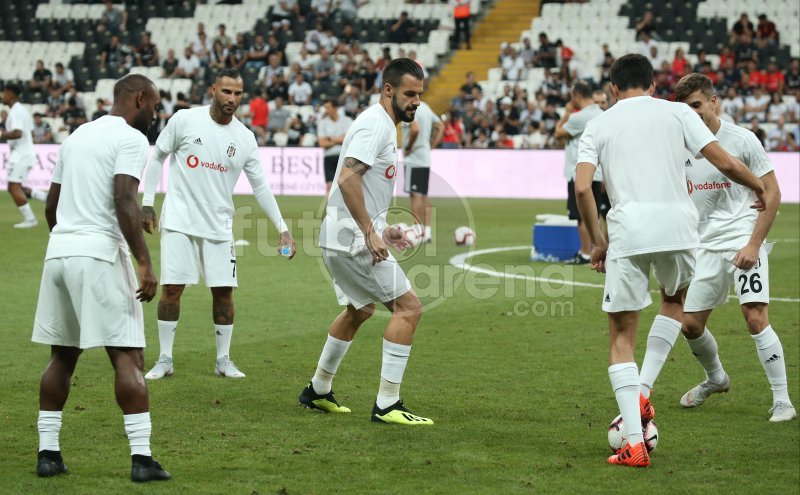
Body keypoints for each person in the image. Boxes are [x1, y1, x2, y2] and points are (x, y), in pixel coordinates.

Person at [575, 54, 766, 467]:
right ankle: (643, 391)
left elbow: (583, 189)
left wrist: (597, 242)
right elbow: (724, 160)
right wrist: (758, 189)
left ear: (612, 89)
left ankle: (634, 445)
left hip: (629, 230)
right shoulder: (678, 112)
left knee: (622, 337)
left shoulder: (597, 125)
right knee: (674, 303)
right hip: (681, 230)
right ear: (653, 87)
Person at [31, 73, 170, 482]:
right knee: (128, 357)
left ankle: (48, 453)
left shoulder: (75, 137)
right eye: (155, 105)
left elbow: (52, 207)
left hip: (59, 253)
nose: (156, 114)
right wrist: (144, 263)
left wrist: (68, 238)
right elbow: (125, 198)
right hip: (99, 255)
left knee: (62, 355)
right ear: (139, 98)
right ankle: (142, 460)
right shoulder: (129, 138)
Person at [642, 73, 794, 422]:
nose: (692, 114)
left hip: (741, 241)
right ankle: (716, 378)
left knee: (755, 317)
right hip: (702, 248)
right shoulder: (680, 147)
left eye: (696, 105)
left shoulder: (742, 140)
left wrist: (754, 244)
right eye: (685, 109)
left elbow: (772, 193)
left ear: (713, 102)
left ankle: (783, 400)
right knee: (689, 325)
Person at [298, 58, 432, 425]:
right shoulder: (376, 125)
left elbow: (361, 186)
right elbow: (346, 178)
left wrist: (382, 227)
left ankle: (317, 390)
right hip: (353, 240)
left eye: (419, 95)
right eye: (409, 94)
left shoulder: (383, 125)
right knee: (409, 307)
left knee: (360, 310)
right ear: (388, 90)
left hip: (341, 237)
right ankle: (388, 404)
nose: (416, 101)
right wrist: (370, 232)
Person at [140, 69, 295, 380]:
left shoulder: (244, 138)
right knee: (171, 290)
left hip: (219, 226)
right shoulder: (185, 120)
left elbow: (260, 187)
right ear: (213, 90)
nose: (232, 99)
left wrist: (282, 228)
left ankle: (223, 360)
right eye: (226, 92)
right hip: (180, 221)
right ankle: (165, 359)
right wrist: (147, 203)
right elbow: (157, 157)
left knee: (224, 293)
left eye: (237, 94)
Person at [554, 80, 603, 264]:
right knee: (594, 214)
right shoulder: (602, 114)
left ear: (577, 96)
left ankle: (585, 252)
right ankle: (598, 249)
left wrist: (566, 113)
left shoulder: (578, 117)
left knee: (581, 216)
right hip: (597, 172)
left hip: (579, 171)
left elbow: (558, 133)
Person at [1, 83, 48, 228]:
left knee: (13, 186)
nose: (3, 95)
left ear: (10, 93)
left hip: (21, 155)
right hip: (24, 153)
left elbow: (17, 132)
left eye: (4, 92)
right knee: (18, 186)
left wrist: (1, 134)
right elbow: (30, 133)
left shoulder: (16, 111)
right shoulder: (21, 110)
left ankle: (30, 220)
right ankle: (49, 199)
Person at [401, 100, 444, 243]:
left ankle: (417, 233)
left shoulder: (409, 108)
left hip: (414, 157)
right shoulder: (426, 107)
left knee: (415, 196)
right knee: (424, 195)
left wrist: (408, 146)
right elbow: (440, 126)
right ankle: (427, 232)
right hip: (425, 156)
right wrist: (431, 145)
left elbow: (414, 128)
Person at [318, 98, 353, 196]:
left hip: (343, 157)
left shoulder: (347, 121)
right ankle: (329, 210)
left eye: (328, 107)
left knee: (345, 185)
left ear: (335, 108)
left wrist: (330, 139)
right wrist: (339, 139)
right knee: (329, 186)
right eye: (325, 108)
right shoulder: (323, 122)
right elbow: (322, 143)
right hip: (328, 157)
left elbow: (349, 140)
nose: (326, 110)